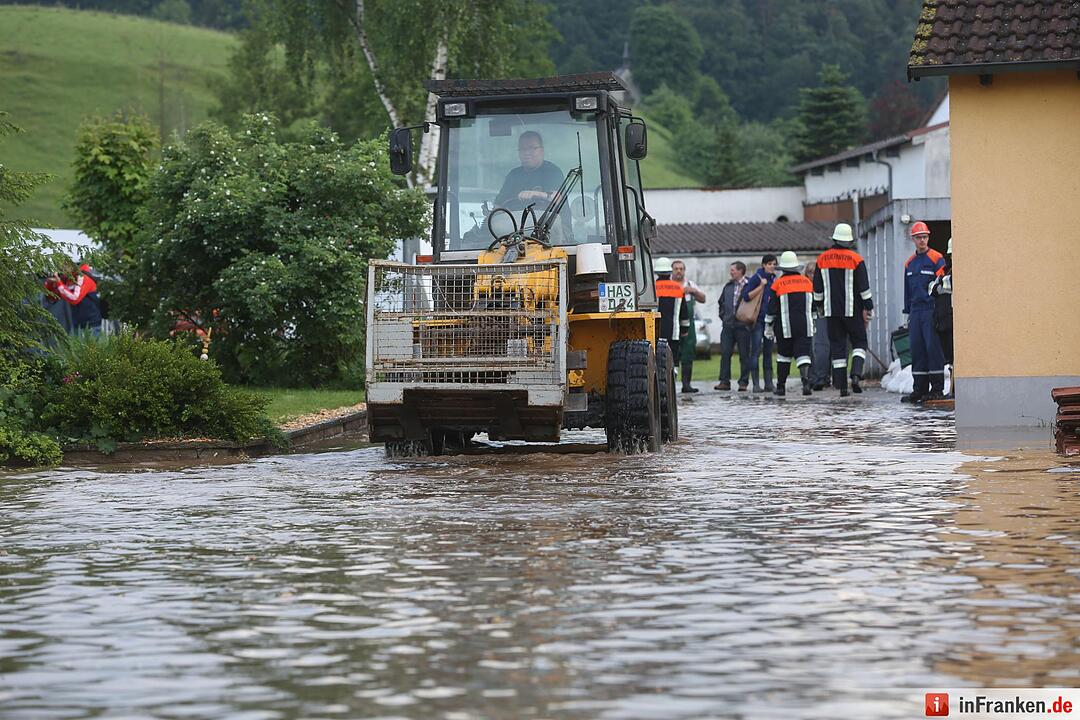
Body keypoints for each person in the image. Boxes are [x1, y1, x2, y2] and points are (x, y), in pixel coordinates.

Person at [813, 223, 873, 397]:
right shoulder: (856, 259)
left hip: (831, 312)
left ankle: (842, 387)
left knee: (838, 348)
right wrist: (869, 307)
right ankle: (855, 375)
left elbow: (817, 289)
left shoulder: (822, 259)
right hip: (853, 311)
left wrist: (818, 306)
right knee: (860, 343)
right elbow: (864, 288)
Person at [901, 222, 947, 403]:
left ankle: (936, 389)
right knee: (917, 349)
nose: (922, 240)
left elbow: (942, 284)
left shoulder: (937, 259)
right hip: (916, 311)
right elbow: (907, 290)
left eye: (925, 237)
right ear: (913, 239)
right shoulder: (909, 264)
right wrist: (907, 313)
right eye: (919, 237)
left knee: (933, 349)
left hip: (931, 309)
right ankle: (919, 389)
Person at [764, 252, 816, 397]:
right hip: (804, 326)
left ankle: (781, 387)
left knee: (783, 356)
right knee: (804, 355)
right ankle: (806, 383)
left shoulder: (778, 284)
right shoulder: (807, 282)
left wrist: (768, 327)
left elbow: (771, 309)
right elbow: (813, 306)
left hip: (784, 327)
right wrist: (813, 322)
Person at [494, 131, 565, 211]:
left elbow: (557, 198)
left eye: (532, 148)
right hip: (516, 222)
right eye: (522, 149)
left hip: (552, 222)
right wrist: (492, 215)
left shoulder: (552, 172)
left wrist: (534, 194)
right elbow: (498, 205)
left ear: (541, 151)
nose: (526, 153)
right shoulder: (513, 175)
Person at [742, 254, 777, 393]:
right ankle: (756, 384)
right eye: (769, 264)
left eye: (774, 264)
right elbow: (746, 295)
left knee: (768, 352)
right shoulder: (757, 278)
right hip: (757, 320)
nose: (772, 267)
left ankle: (769, 383)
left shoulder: (774, 279)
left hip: (769, 320)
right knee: (755, 351)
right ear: (763, 265)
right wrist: (761, 286)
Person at [714, 261, 752, 391]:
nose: (731, 272)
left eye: (733, 270)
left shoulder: (750, 285)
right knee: (725, 353)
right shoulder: (728, 286)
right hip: (728, 326)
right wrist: (724, 316)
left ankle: (743, 382)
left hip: (743, 326)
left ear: (741, 271)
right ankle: (724, 381)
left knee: (744, 355)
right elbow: (721, 302)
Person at [671, 259, 706, 393]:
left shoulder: (690, 284)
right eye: (676, 269)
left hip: (689, 325)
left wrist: (693, 291)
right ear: (672, 270)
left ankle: (687, 385)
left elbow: (703, 299)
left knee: (688, 353)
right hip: (673, 321)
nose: (679, 271)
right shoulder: (668, 285)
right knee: (672, 353)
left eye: (681, 269)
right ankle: (671, 385)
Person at [930, 236, 954, 397]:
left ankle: (955, 391)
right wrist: (941, 284)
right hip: (943, 322)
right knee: (951, 360)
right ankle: (953, 391)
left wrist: (941, 284)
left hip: (952, 321)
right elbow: (931, 288)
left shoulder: (955, 273)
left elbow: (948, 284)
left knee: (956, 358)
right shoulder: (945, 270)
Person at [49, 263, 102, 335]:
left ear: (73, 265)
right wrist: (51, 284)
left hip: (91, 325)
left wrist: (59, 283)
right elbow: (53, 298)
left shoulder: (82, 276)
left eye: (64, 265)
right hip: (77, 324)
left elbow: (74, 299)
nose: (61, 269)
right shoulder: (68, 278)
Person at [654, 256, 689, 365]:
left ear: (656, 272)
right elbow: (684, 312)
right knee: (673, 359)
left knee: (657, 360)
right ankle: (673, 378)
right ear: (670, 272)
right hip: (674, 333)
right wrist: (684, 330)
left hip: (655, 332)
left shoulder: (651, 288)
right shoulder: (678, 288)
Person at [804, 261, 831, 390]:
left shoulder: (822, 286)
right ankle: (814, 377)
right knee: (813, 349)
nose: (812, 275)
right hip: (810, 318)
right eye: (810, 273)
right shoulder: (805, 285)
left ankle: (822, 376)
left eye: (814, 273)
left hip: (820, 317)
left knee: (822, 348)